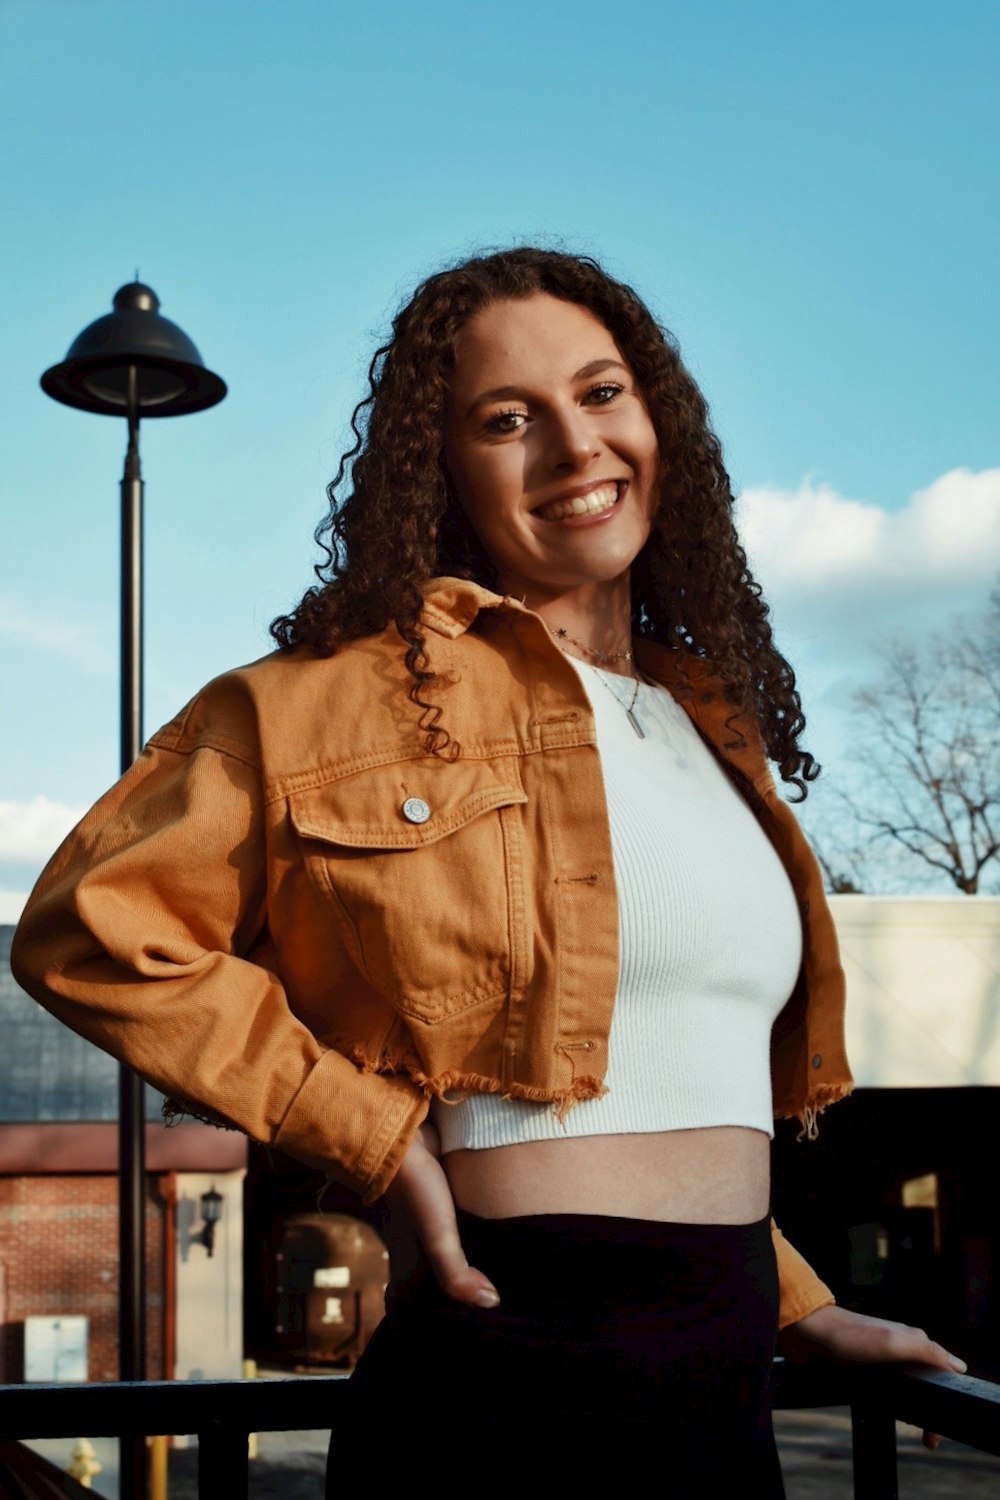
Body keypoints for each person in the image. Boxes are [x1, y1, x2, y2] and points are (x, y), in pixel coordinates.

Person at [12, 248, 964, 1492]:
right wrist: (378, 1141)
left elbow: (668, 1074)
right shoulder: (328, 702)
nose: (576, 447)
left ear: (658, 418)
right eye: (509, 420)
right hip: (503, 1377)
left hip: (724, 1389)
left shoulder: (707, 725)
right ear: (443, 469)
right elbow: (92, 930)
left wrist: (791, 1300)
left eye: (602, 394)